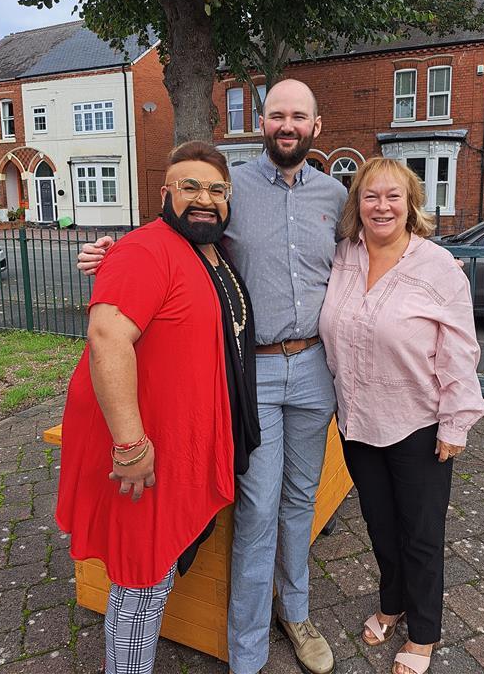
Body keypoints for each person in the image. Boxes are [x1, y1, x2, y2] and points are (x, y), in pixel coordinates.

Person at [78, 79, 348, 674]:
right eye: (277, 114)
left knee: (299, 499)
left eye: (299, 116)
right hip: (251, 373)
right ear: (262, 122)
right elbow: (176, 230)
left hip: (314, 368)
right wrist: (114, 251)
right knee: (257, 508)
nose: (287, 125)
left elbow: (372, 250)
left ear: (315, 127)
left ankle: (295, 614)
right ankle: (247, 651)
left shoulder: (336, 195)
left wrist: (426, 263)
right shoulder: (233, 188)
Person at [58, 141, 259, 674]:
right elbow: (106, 337)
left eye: (216, 189)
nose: (204, 198)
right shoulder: (148, 248)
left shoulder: (209, 249)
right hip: (144, 449)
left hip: (183, 440)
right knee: (141, 576)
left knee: (162, 561)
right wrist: (129, 446)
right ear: (164, 192)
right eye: (189, 186)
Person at [319, 157, 484, 674]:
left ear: (412, 203)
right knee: (380, 523)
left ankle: (424, 633)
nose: (382, 205)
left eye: (394, 196)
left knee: (420, 533)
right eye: (371, 195)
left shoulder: (437, 267)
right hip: (358, 422)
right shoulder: (343, 256)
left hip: (418, 424)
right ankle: (391, 603)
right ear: (357, 204)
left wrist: (456, 423)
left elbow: (460, 350)